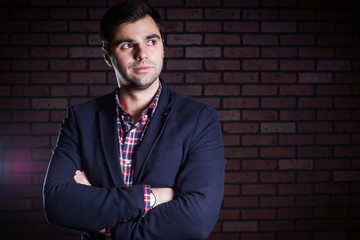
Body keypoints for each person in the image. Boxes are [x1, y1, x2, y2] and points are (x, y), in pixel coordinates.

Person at [42, 1, 225, 239]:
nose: (142, 54)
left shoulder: (200, 119)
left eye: (151, 41)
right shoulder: (81, 119)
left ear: (162, 48)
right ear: (107, 56)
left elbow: (196, 221)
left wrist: (108, 226)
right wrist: (152, 197)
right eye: (128, 45)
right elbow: (57, 204)